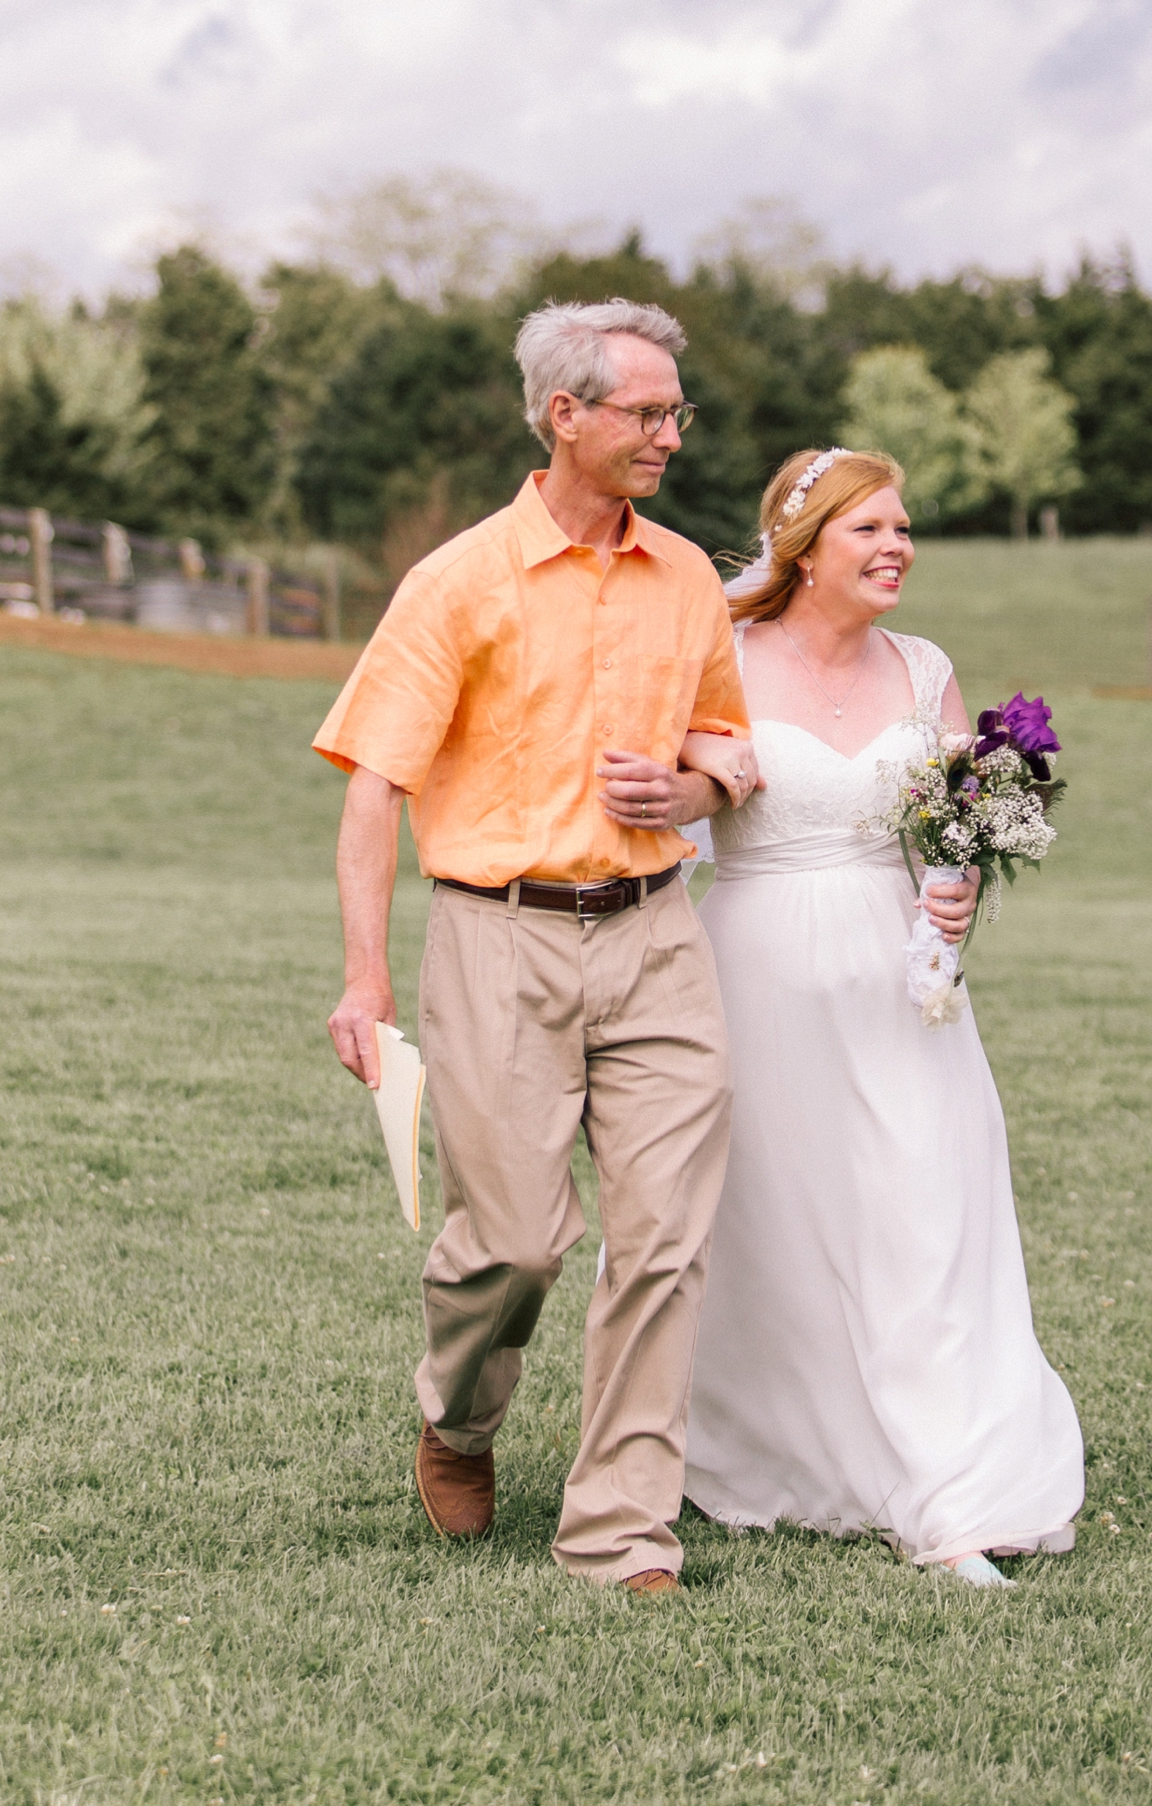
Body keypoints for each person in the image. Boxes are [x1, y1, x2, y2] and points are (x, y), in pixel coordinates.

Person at [314, 299, 756, 1595]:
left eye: (677, 412)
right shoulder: (456, 582)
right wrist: (364, 980)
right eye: (647, 412)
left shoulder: (686, 577)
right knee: (512, 1241)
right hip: (496, 941)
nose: (670, 434)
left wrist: (702, 790)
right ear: (564, 414)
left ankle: (621, 1528)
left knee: (666, 1236)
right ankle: (458, 1419)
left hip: (657, 938)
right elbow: (369, 790)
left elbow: (728, 737)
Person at [684, 447, 1084, 1585]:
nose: (897, 546)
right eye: (871, 529)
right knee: (773, 1215)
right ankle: (771, 1446)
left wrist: (958, 878)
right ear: (803, 547)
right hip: (754, 965)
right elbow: (672, 804)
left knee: (922, 1205)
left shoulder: (924, 669)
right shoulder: (721, 657)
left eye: (904, 528)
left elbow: (952, 820)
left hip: (902, 982)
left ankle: (951, 1485)